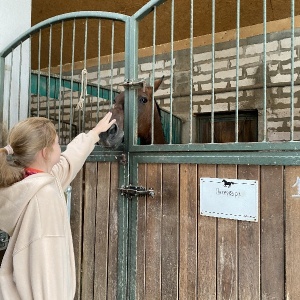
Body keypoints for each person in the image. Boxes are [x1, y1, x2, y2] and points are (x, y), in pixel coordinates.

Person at [0, 112, 116, 300]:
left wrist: (94, 134)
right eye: (55, 142)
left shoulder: (30, 182)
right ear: (45, 152)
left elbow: (69, 161)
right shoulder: (44, 197)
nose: (59, 147)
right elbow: (47, 269)